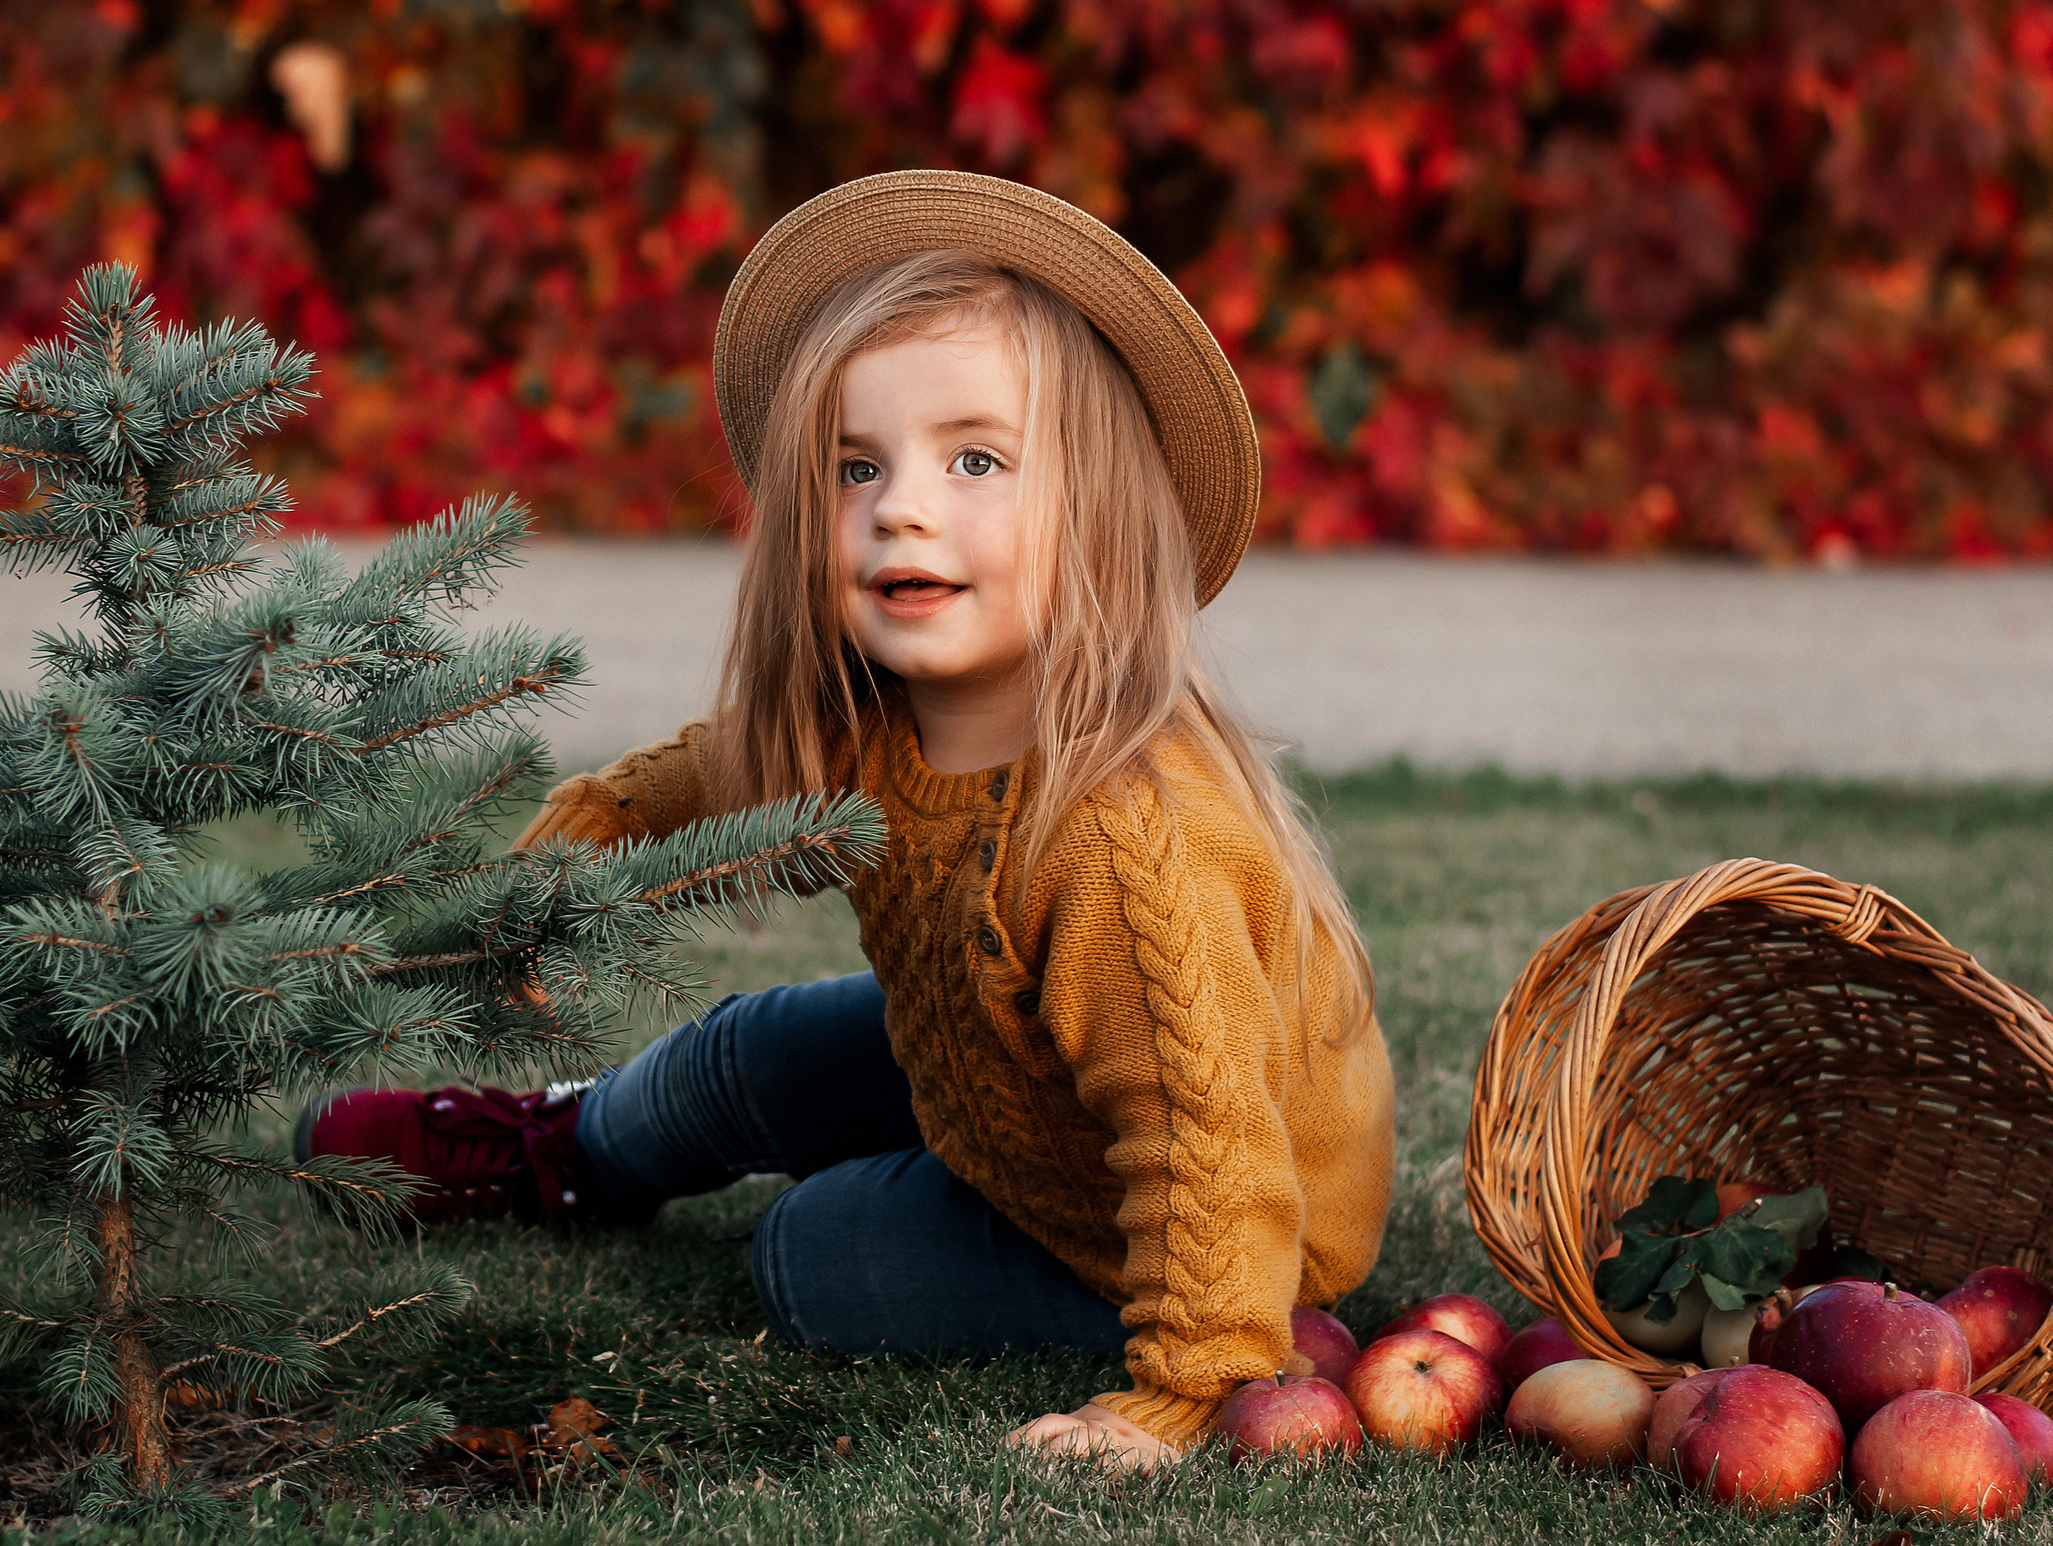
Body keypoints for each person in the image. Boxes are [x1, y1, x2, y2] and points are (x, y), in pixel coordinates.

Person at [295, 170, 1395, 1467]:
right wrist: (561, 883)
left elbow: (1204, 1138)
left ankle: (1232, 1327)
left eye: (973, 458)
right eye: (855, 466)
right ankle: (566, 1150)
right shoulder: (876, 724)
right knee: (742, 1054)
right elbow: (707, 785)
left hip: (1196, 1223)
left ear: (1099, 514)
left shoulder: (1126, 841)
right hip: (1004, 1082)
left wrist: (1191, 1389)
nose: (901, 507)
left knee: (811, 1256)